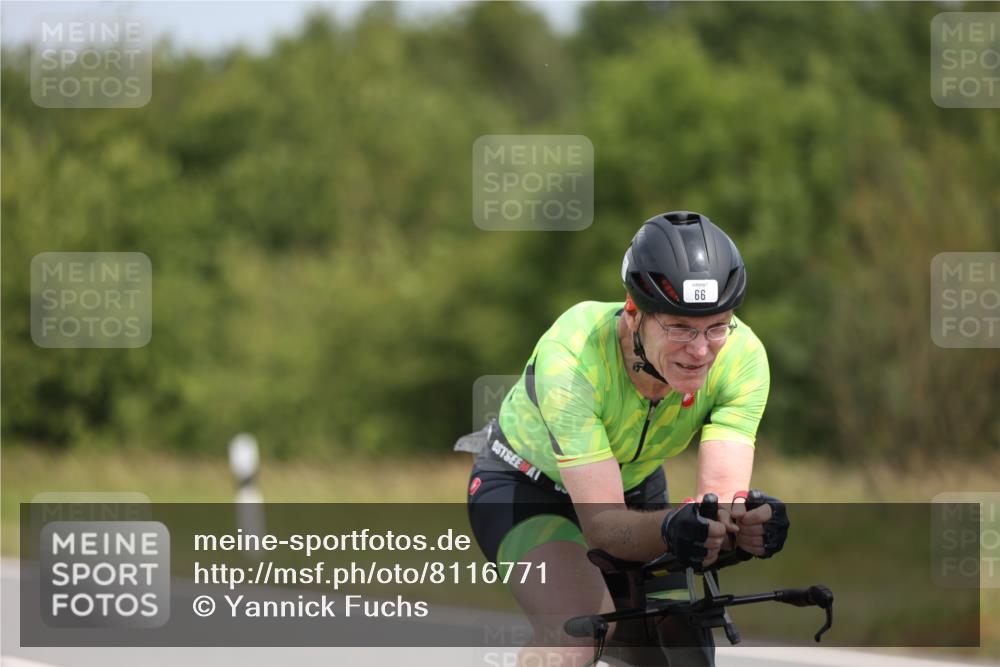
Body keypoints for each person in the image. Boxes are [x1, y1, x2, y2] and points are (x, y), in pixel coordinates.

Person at [463, 211, 790, 666]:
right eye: (679, 327)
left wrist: (749, 526)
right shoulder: (573, 357)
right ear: (634, 314)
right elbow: (605, 528)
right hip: (526, 488)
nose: (700, 351)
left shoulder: (742, 357)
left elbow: (717, 502)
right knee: (579, 632)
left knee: (680, 644)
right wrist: (675, 528)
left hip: (636, 489)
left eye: (717, 326)